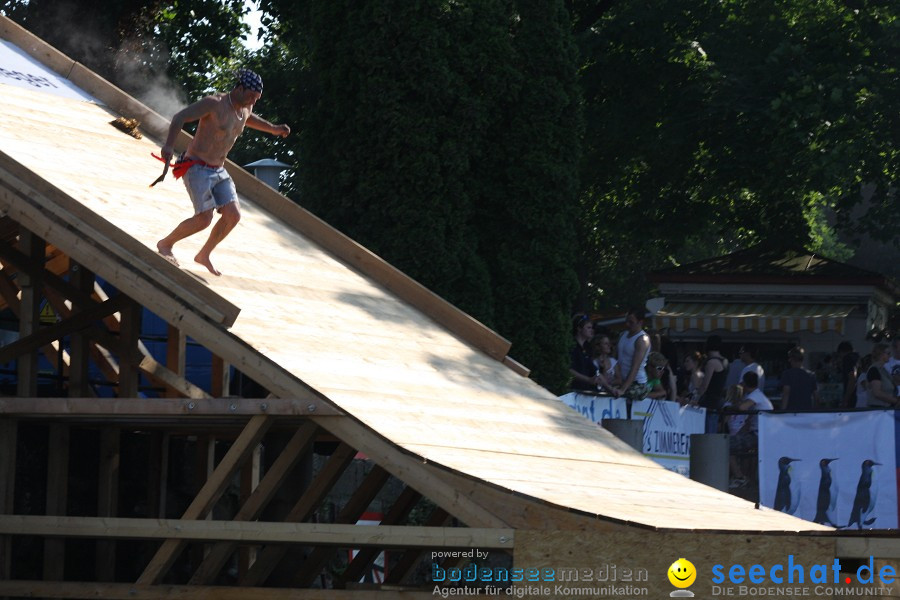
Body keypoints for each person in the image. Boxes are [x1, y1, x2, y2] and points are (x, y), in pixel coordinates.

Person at [156, 68, 291, 276]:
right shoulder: (215, 103)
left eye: (257, 98)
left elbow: (250, 118)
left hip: (218, 170)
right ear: (239, 88)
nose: (252, 102)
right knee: (204, 219)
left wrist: (273, 128)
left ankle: (204, 255)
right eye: (251, 96)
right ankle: (166, 244)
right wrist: (168, 146)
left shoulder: (244, 109)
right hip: (196, 166)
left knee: (233, 215)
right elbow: (180, 117)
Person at [727, 371, 773, 488]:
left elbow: (742, 407)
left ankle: (740, 477)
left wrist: (730, 406)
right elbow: (747, 423)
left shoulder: (755, 396)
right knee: (732, 442)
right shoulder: (757, 395)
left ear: (744, 383)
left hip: (760, 436)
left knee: (725, 446)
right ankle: (741, 476)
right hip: (758, 433)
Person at [613, 308, 651, 399]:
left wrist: (623, 389)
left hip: (637, 382)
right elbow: (615, 358)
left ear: (640, 322)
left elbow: (635, 367)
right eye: (626, 321)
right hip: (622, 380)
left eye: (631, 322)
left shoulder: (642, 340)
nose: (627, 325)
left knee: (618, 395)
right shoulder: (623, 335)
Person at [779, 346, 820, 411]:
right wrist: (815, 412)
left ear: (791, 359)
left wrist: (782, 412)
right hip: (807, 412)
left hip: (791, 412)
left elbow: (786, 393)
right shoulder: (811, 375)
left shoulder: (787, 374)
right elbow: (816, 396)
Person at [569, 314, 600, 391]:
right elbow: (569, 370)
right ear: (579, 328)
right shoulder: (572, 346)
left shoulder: (588, 347)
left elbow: (594, 370)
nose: (591, 330)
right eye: (588, 327)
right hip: (574, 390)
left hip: (587, 390)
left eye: (592, 328)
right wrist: (588, 379)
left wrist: (610, 388)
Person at [866, 343, 899, 407]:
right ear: (881, 354)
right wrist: (896, 401)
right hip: (877, 409)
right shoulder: (874, 370)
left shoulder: (884, 371)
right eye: (888, 353)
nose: (890, 355)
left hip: (885, 409)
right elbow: (877, 393)